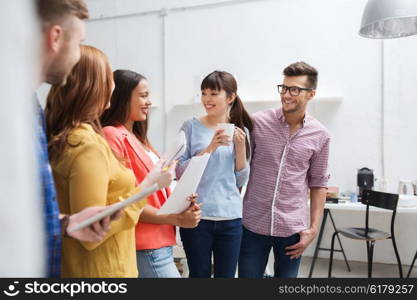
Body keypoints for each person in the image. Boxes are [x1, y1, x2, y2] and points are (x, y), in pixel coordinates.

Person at [45, 45, 175, 277]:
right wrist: (148, 187)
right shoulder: (86, 145)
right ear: (93, 86)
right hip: (105, 271)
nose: (113, 85)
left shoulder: (71, 138)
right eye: (108, 77)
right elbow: (91, 233)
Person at [35, 0, 121, 277]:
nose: (76, 59)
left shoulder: (32, 114)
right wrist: (139, 200)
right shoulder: (84, 143)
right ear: (56, 37)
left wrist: (65, 223)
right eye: (79, 42)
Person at [100, 69, 202, 278]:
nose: (149, 102)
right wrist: (176, 218)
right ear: (122, 97)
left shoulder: (137, 137)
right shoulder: (112, 135)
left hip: (159, 241)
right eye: (143, 95)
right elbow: (124, 200)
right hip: (145, 243)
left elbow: (152, 192)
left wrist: (182, 202)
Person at [238, 61, 330, 278]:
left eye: (295, 89)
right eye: (284, 88)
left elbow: (319, 183)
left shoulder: (321, 135)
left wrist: (313, 229)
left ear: (311, 94)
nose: (286, 95)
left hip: (292, 231)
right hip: (252, 225)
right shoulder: (258, 123)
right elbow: (240, 170)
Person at [176, 71, 253, 278]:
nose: (206, 99)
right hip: (197, 216)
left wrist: (240, 149)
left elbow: (240, 181)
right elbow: (180, 171)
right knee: (198, 275)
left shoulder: (241, 131)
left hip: (231, 217)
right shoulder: (190, 126)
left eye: (213, 94)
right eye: (204, 93)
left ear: (230, 97)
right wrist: (210, 147)